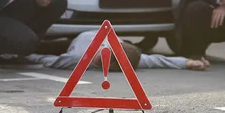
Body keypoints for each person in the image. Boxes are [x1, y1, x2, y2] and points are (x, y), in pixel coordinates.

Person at [26, 30, 210, 71]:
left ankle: (142, 43)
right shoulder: (79, 57)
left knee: (138, 51)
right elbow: (50, 60)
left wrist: (188, 62)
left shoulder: (131, 59)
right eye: (104, 59)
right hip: (77, 39)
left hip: (115, 39)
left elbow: (160, 60)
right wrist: (26, 55)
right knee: (45, 45)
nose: (102, 63)